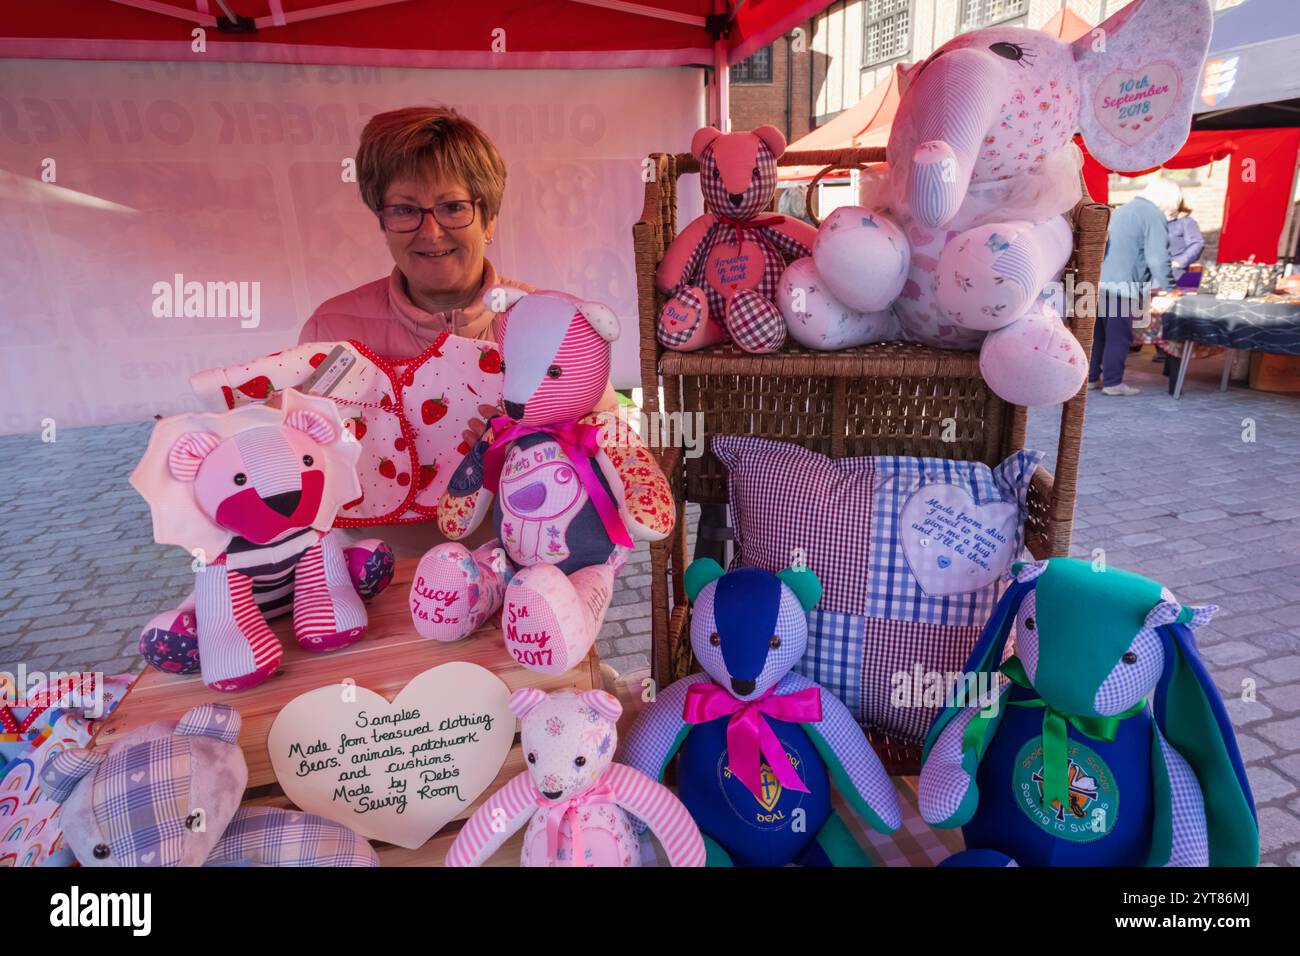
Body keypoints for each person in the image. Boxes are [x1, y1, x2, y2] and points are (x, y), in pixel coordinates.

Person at [298, 106, 617, 555]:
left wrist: (529, 448)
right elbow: (300, 463)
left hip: (519, 568)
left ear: (489, 219)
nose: (430, 231)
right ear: (382, 222)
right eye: (405, 210)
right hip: (374, 577)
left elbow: (608, 434)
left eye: (452, 207)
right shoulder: (332, 328)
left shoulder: (550, 322)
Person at [1090, 179, 1176, 396]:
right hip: (1123, 287)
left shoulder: (1122, 210)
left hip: (1100, 282)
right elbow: (1157, 258)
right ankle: (1113, 383)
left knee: (1098, 335)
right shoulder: (1153, 214)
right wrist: (1170, 287)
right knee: (1118, 336)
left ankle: (1090, 378)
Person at [1167, 197, 1205, 283]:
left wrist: (1180, 262)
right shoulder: (1151, 221)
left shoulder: (1185, 222)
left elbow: (1196, 243)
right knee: (1138, 296)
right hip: (1148, 275)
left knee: (1169, 295)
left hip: (1175, 275)